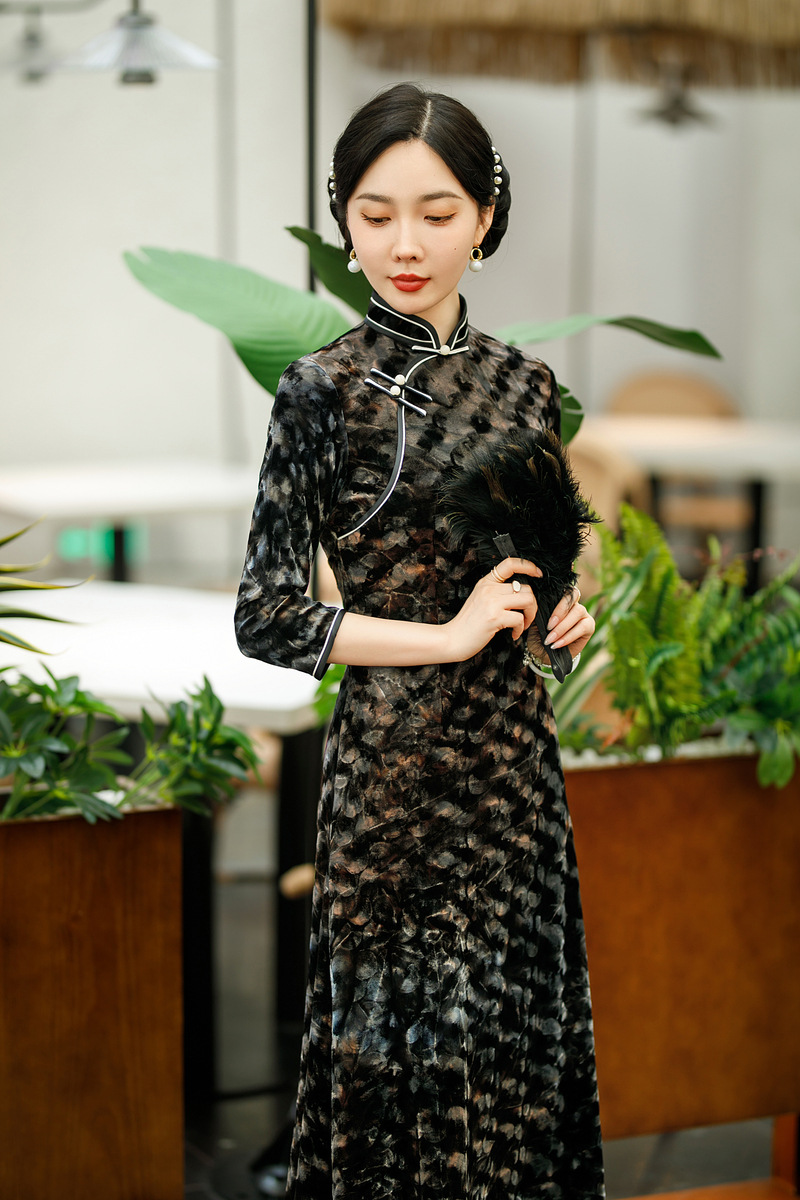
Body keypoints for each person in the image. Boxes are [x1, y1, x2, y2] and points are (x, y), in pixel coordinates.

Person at [235, 82, 604, 1199]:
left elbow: (531, 572)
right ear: (343, 218)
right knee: (404, 1082)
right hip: (394, 783)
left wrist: (556, 621)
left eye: (437, 214)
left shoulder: (526, 386)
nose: (405, 243)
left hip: (514, 780)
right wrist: (446, 639)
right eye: (376, 213)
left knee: (513, 1059)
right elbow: (267, 615)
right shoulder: (321, 392)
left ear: (484, 218)